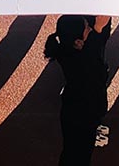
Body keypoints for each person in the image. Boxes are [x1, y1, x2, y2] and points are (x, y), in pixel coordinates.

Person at [45, 15, 111, 165]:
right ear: (78, 42)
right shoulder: (85, 60)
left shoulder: (67, 52)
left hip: (73, 110)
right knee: (81, 154)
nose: (90, 29)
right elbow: (95, 56)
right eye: (87, 28)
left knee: (71, 151)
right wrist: (98, 28)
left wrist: (98, 30)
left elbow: (94, 47)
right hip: (85, 113)